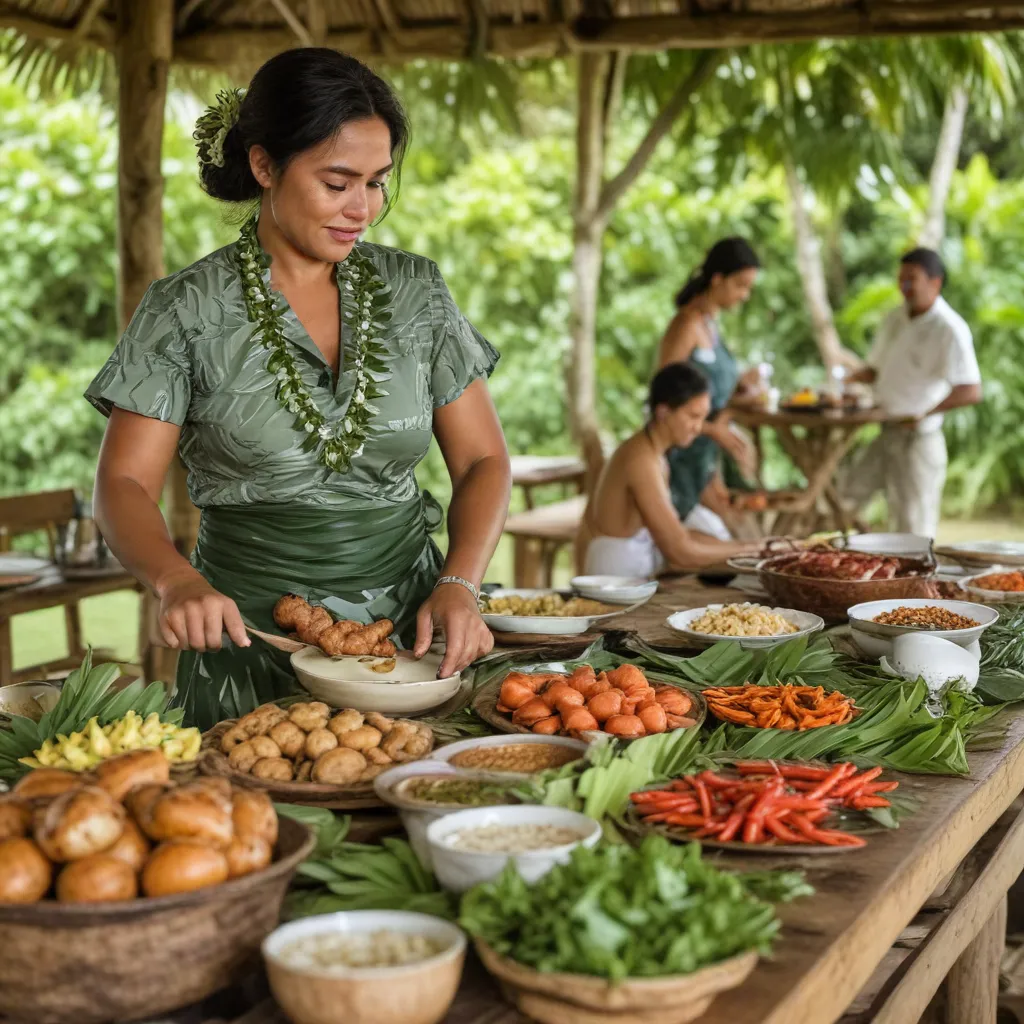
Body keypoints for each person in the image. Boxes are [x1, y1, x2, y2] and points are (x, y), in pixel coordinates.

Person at [85, 49, 511, 730]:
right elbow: (123, 484)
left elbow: (484, 460)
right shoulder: (184, 309)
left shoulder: (416, 293)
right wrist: (177, 583)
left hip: (413, 638)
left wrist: (459, 584)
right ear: (263, 165)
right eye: (337, 182)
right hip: (248, 634)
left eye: (376, 183)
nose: (362, 209)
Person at [844, 248, 981, 538]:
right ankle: (860, 554)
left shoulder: (949, 328)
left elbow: (970, 389)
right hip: (885, 431)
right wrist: (849, 379)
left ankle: (913, 582)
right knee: (845, 498)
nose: (904, 285)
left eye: (912, 279)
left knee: (913, 527)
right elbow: (875, 370)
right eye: (901, 278)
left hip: (919, 441)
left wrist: (926, 412)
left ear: (935, 282)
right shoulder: (894, 318)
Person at [577, 363, 762, 577]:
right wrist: (754, 549)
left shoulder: (654, 453)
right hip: (612, 586)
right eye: (693, 416)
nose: (698, 427)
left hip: (633, 580)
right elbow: (679, 550)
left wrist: (751, 547)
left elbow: (681, 535)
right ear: (664, 412)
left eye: (703, 418)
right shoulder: (640, 460)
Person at [657, 237, 762, 542]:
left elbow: (707, 385)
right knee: (728, 539)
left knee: (741, 525)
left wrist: (742, 384)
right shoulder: (686, 324)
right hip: (681, 454)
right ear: (718, 279)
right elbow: (663, 397)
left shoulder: (710, 324)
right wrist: (713, 429)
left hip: (706, 454)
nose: (745, 295)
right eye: (741, 285)